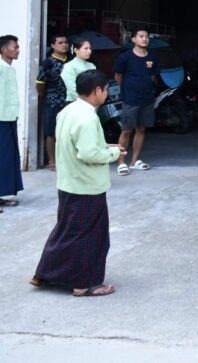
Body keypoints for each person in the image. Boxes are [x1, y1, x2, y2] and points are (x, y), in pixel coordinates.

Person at [31, 69, 124, 296]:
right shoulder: (89, 117)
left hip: (68, 183)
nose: (106, 93)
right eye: (104, 89)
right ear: (97, 91)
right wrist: (113, 154)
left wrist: (106, 147)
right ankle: (85, 283)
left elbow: (76, 146)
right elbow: (89, 154)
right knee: (91, 236)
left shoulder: (68, 110)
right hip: (87, 186)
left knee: (66, 231)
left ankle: (44, 273)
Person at [113, 29, 160, 175]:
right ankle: (121, 163)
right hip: (130, 99)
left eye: (146, 36)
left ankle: (134, 161)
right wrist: (127, 90)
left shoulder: (152, 57)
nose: (144, 39)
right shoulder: (125, 57)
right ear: (133, 39)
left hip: (146, 99)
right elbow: (118, 77)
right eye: (141, 36)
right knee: (126, 130)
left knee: (141, 129)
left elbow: (153, 77)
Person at [35, 34, 68, 170]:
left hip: (69, 100)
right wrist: (44, 95)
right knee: (51, 132)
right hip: (52, 101)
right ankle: (52, 161)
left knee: (68, 132)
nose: (64, 45)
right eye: (60, 43)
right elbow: (40, 83)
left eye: (66, 42)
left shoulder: (71, 61)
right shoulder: (48, 62)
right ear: (53, 46)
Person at [0, 35, 23, 209]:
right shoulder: (1, 68)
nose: (18, 50)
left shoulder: (8, 68)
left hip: (8, 117)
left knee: (7, 157)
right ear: (3, 50)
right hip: (1, 119)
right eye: (14, 47)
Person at [61, 38, 96, 105]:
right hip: (74, 102)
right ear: (76, 50)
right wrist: (85, 101)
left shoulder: (92, 66)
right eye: (86, 48)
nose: (89, 51)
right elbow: (71, 88)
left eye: (90, 48)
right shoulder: (69, 66)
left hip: (91, 101)